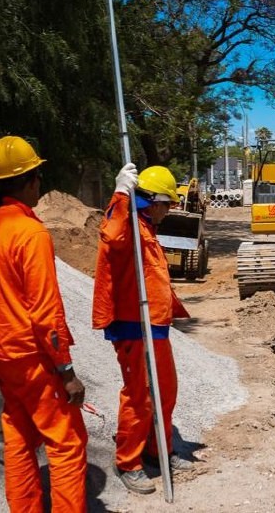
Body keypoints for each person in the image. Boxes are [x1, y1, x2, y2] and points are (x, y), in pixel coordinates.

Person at [0, 136, 88, 511]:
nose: (39, 185)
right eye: (38, 178)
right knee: (66, 442)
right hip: (33, 358)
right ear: (29, 181)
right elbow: (46, 312)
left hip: (0, 355)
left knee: (18, 435)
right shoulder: (31, 234)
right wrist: (67, 371)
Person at [92, 163, 193, 494]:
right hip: (134, 325)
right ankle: (128, 461)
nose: (170, 211)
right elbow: (111, 235)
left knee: (165, 389)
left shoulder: (146, 227)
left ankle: (157, 450)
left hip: (156, 325)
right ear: (154, 201)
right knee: (139, 395)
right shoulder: (127, 225)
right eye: (168, 204)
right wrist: (121, 194)